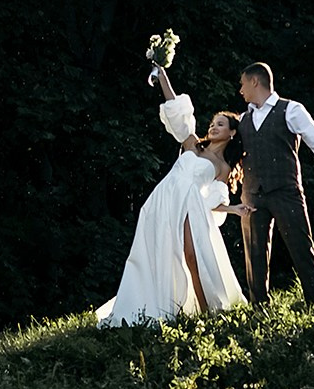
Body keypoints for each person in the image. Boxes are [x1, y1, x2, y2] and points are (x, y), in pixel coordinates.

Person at [97, 61, 250, 326]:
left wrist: (234, 209)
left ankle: (206, 312)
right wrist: (163, 76)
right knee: (157, 253)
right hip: (164, 200)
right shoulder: (193, 145)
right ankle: (156, 303)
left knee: (191, 255)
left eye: (220, 124)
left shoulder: (223, 168)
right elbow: (176, 108)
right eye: (213, 123)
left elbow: (213, 199)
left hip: (189, 204)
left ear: (232, 133)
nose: (213, 127)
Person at [236, 61, 314, 306]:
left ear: (255, 81)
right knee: (254, 255)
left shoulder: (291, 110)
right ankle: (258, 309)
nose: (240, 90)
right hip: (252, 195)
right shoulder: (243, 119)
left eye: (243, 84)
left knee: (301, 248)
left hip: (286, 191)